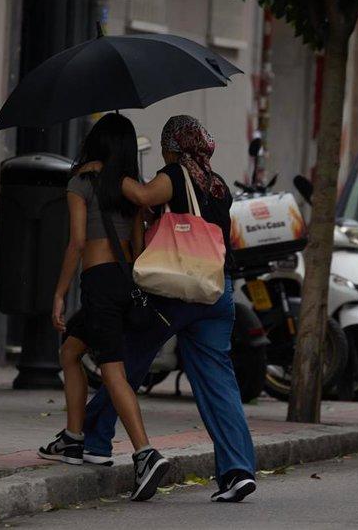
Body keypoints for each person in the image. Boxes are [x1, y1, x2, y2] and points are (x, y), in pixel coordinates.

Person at [82, 115, 257, 503]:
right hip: (216, 290)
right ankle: (237, 470)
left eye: (166, 147)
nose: (164, 153)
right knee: (218, 383)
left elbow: (144, 196)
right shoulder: (218, 185)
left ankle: (93, 439)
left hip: (177, 291)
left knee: (125, 362)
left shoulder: (176, 175)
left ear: (173, 148)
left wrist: (106, 169)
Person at [38, 113, 170, 502]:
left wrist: (60, 292)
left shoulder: (80, 180)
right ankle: (75, 439)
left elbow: (77, 243)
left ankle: (146, 454)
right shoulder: (131, 188)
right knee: (70, 352)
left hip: (98, 283)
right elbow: (139, 246)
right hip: (125, 283)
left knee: (113, 371)